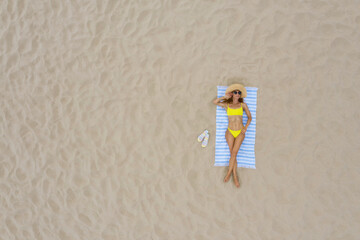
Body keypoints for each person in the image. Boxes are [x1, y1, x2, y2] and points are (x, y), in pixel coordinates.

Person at [212, 84, 252, 188]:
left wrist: (245, 128)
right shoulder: (227, 105)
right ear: (232, 94)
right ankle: (234, 175)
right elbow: (215, 102)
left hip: (240, 131)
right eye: (236, 92)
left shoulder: (243, 105)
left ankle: (230, 173)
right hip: (229, 131)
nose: (238, 94)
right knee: (232, 153)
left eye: (239, 92)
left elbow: (249, 117)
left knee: (234, 153)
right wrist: (224, 97)